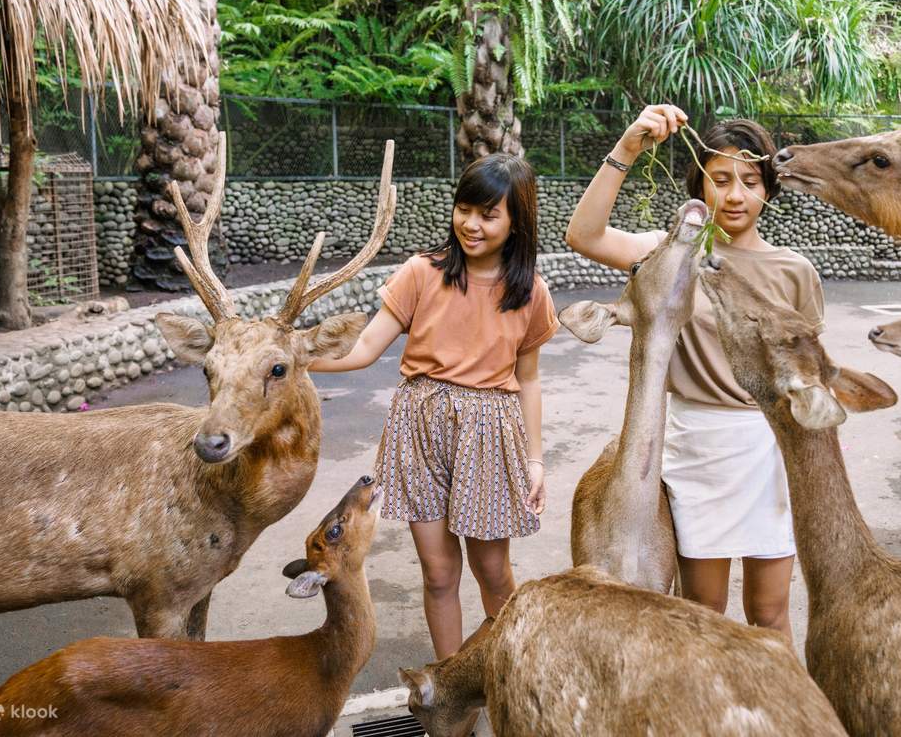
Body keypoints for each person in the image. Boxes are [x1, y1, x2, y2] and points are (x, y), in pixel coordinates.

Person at [565, 104, 824, 643]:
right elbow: (585, 236)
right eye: (720, 179)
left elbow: (808, 375)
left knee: (770, 613)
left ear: (769, 190)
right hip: (692, 448)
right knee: (703, 612)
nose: (734, 195)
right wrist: (629, 146)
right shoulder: (669, 256)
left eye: (750, 181)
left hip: (770, 447)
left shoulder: (796, 272)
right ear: (699, 185)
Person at [311, 153, 557, 658]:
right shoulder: (422, 272)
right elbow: (363, 350)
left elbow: (528, 381)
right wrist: (293, 358)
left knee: (493, 570)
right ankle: (449, 683)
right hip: (418, 428)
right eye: (465, 209)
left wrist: (535, 460)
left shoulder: (530, 291)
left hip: (489, 433)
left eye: (489, 215)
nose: (471, 224)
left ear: (516, 223)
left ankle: (511, 668)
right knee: (439, 572)